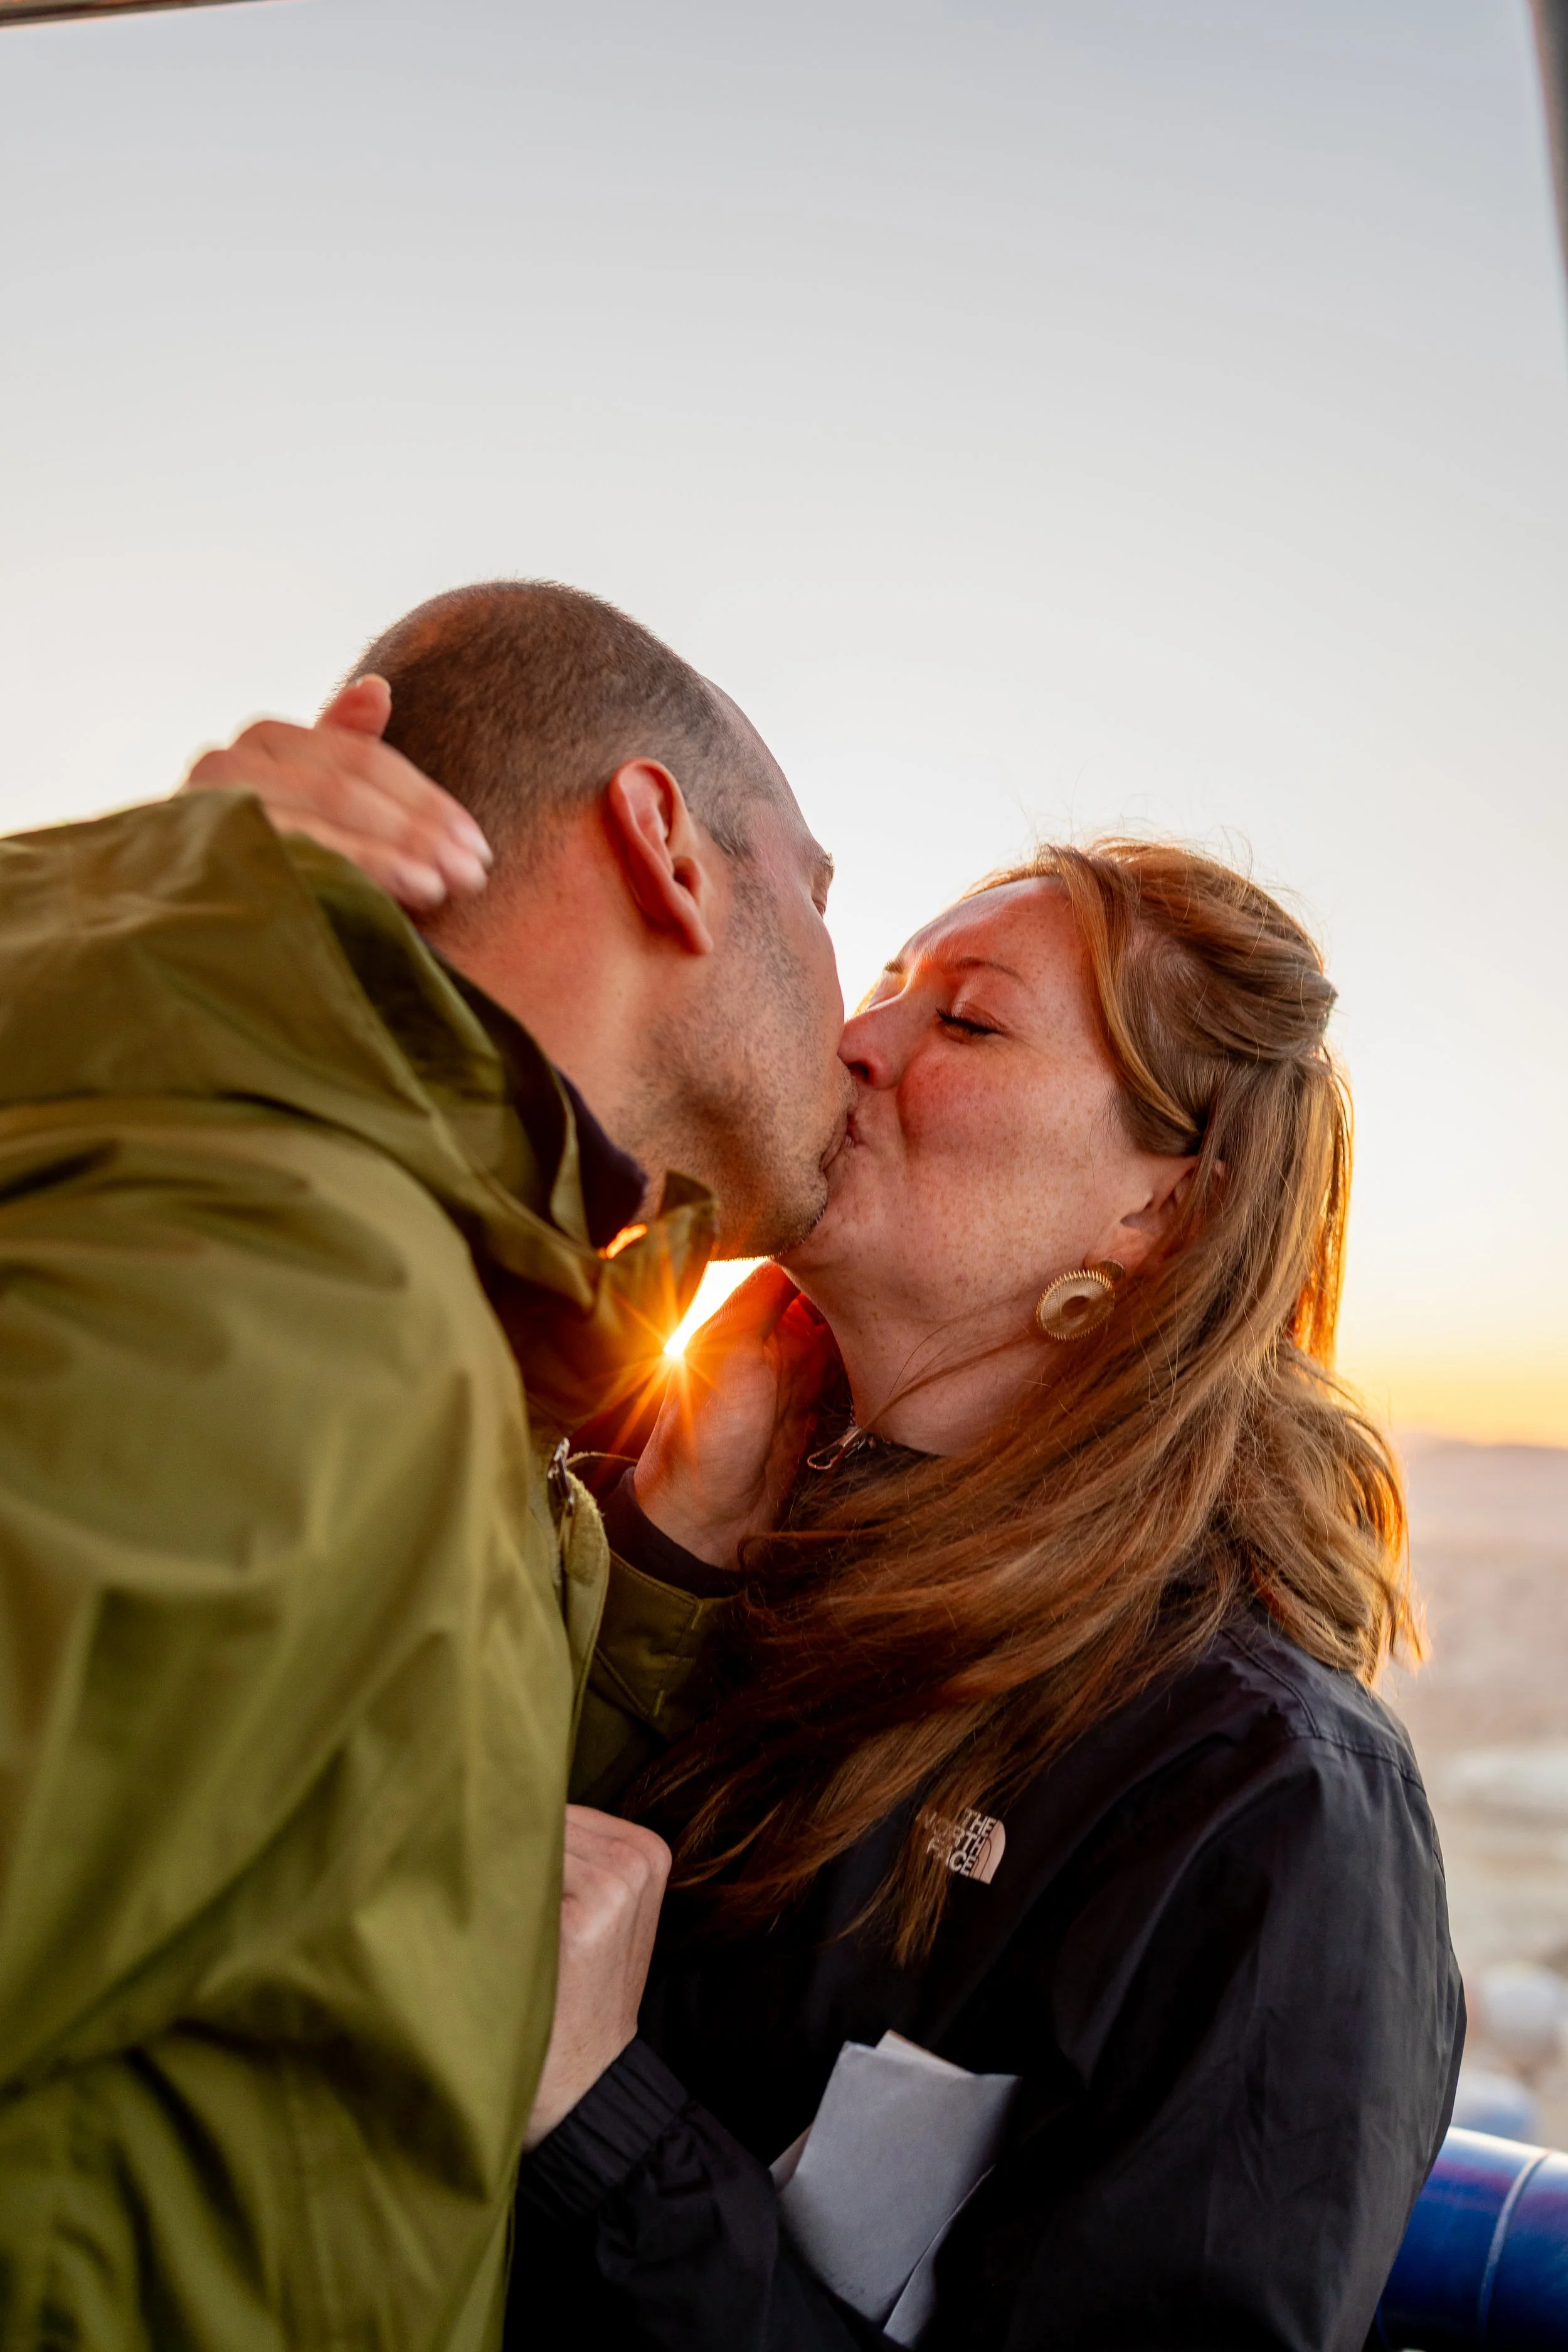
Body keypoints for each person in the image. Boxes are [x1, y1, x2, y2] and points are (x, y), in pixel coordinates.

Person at [211, 725, 1464, 2348]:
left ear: (1160, 1212)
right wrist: (671, 1541)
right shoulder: (669, 1518)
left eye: (964, 1019)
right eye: (877, 980)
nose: (852, 1040)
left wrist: (603, 2117)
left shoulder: (1255, 1802)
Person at [0, 581, 847, 2351]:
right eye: (823, 896)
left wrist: (656, 1570)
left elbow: (319, 1812)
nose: (855, 1027)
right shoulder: (305, 1289)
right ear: (667, 850)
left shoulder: (406, 1284)